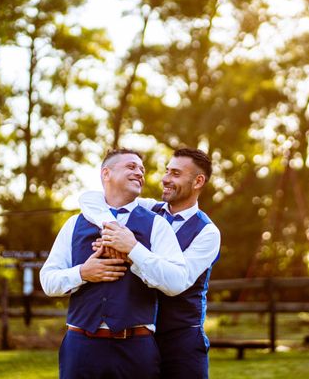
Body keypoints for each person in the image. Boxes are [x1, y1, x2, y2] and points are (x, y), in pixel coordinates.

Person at [40, 148, 187, 379]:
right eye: (131, 166)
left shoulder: (157, 225)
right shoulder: (74, 224)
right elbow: (48, 281)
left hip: (136, 348)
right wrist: (83, 273)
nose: (139, 172)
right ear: (106, 173)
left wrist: (134, 252)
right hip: (80, 347)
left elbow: (177, 281)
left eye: (142, 169)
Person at [82, 147, 221, 379]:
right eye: (167, 171)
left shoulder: (207, 233)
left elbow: (177, 281)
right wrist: (112, 228)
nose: (165, 179)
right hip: (141, 338)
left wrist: (131, 248)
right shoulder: (149, 209)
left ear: (198, 181)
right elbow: (90, 198)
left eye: (175, 174)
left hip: (181, 341)